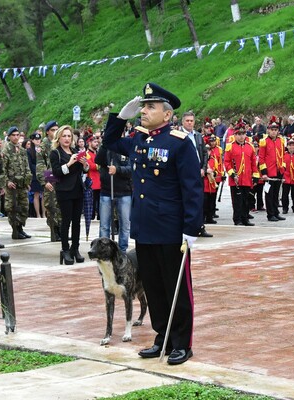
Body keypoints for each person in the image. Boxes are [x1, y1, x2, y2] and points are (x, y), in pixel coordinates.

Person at [103, 82, 203, 365]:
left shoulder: (180, 143)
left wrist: (191, 229)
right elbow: (110, 142)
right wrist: (120, 118)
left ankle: (182, 343)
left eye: (150, 107)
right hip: (145, 228)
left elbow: (192, 188)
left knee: (176, 288)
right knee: (155, 289)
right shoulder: (139, 138)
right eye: (143, 106)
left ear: (167, 114)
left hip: (171, 229)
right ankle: (163, 338)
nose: (144, 111)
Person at [50, 125, 88, 264]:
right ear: (59, 138)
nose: (67, 139)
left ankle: (75, 249)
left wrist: (84, 164)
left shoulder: (75, 150)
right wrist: (70, 163)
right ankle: (65, 250)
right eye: (64, 136)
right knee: (66, 221)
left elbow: (83, 170)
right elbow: (56, 173)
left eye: (69, 136)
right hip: (64, 190)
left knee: (77, 221)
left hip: (78, 189)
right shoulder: (56, 153)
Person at [95, 141, 132, 252]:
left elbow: (131, 169)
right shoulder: (105, 147)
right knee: (104, 226)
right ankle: (104, 250)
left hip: (124, 192)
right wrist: (106, 144)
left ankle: (122, 251)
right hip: (107, 191)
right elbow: (98, 160)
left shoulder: (126, 147)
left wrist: (117, 169)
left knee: (125, 225)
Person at [180, 111, 211, 238]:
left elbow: (204, 153)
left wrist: (203, 168)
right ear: (182, 122)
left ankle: (200, 226)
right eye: (187, 120)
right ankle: (186, 228)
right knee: (186, 201)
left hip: (199, 172)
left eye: (191, 121)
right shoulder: (178, 135)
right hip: (185, 174)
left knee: (199, 201)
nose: (189, 123)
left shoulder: (198, 136)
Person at [224, 122, 258, 226]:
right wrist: (232, 174)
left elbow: (253, 163)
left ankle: (245, 218)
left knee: (246, 200)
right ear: (235, 135)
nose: (241, 136)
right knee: (237, 201)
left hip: (247, 178)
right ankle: (237, 219)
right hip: (236, 179)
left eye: (243, 134)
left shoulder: (250, 147)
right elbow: (227, 162)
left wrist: (255, 176)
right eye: (239, 134)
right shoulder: (230, 146)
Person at [2, 126, 31, 240]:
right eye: (13, 135)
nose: (15, 137)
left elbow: (26, 166)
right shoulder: (6, 151)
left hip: (22, 184)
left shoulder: (22, 151)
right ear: (9, 137)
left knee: (24, 207)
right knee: (13, 208)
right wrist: (7, 181)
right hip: (12, 185)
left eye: (17, 135)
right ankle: (15, 229)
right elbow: (2, 168)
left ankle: (21, 228)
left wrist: (27, 181)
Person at [36, 121, 62, 241]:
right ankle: (54, 230)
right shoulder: (43, 146)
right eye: (53, 130)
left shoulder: (58, 143)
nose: (55, 132)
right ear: (47, 132)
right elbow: (40, 166)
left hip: (61, 177)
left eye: (57, 129)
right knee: (51, 206)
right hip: (50, 178)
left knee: (61, 206)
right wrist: (44, 181)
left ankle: (61, 229)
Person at [258, 120, 286, 221]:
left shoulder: (280, 140)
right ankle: (270, 214)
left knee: (276, 194)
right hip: (269, 172)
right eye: (272, 130)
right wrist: (264, 172)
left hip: (278, 170)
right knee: (269, 194)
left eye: (275, 130)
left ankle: (276, 212)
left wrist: (283, 169)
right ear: (268, 130)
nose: (274, 132)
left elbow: (283, 155)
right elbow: (261, 158)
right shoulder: (264, 141)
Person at [203, 135, 223, 224]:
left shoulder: (215, 155)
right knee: (205, 201)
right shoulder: (203, 159)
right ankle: (204, 217)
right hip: (205, 181)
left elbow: (219, 165)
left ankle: (210, 217)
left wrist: (218, 173)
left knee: (212, 200)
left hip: (213, 180)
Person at [281, 139, 294, 214]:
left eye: (293, 145)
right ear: (287, 146)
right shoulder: (283, 155)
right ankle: (285, 208)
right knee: (285, 194)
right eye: (290, 145)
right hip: (286, 178)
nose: (291, 147)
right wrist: (282, 176)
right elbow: (282, 167)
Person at [27, 132, 44, 218]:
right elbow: (30, 164)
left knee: (44, 194)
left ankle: (44, 213)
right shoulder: (29, 151)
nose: (38, 141)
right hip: (35, 175)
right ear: (32, 140)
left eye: (39, 139)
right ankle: (38, 214)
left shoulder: (42, 149)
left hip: (44, 174)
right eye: (35, 139)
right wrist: (38, 171)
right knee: (36, 195)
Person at [85, 136, 101, 220]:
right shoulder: (87, 154)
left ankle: (99, 216)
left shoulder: (97, 153)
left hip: (99, 181)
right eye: (95, 142)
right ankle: (91, 217)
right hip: (92, 181)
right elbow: (90, 166)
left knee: (99, 201)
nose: (97, 144)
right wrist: (101, 166)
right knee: (92, 202)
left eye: (97, 142)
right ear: (89, 143)